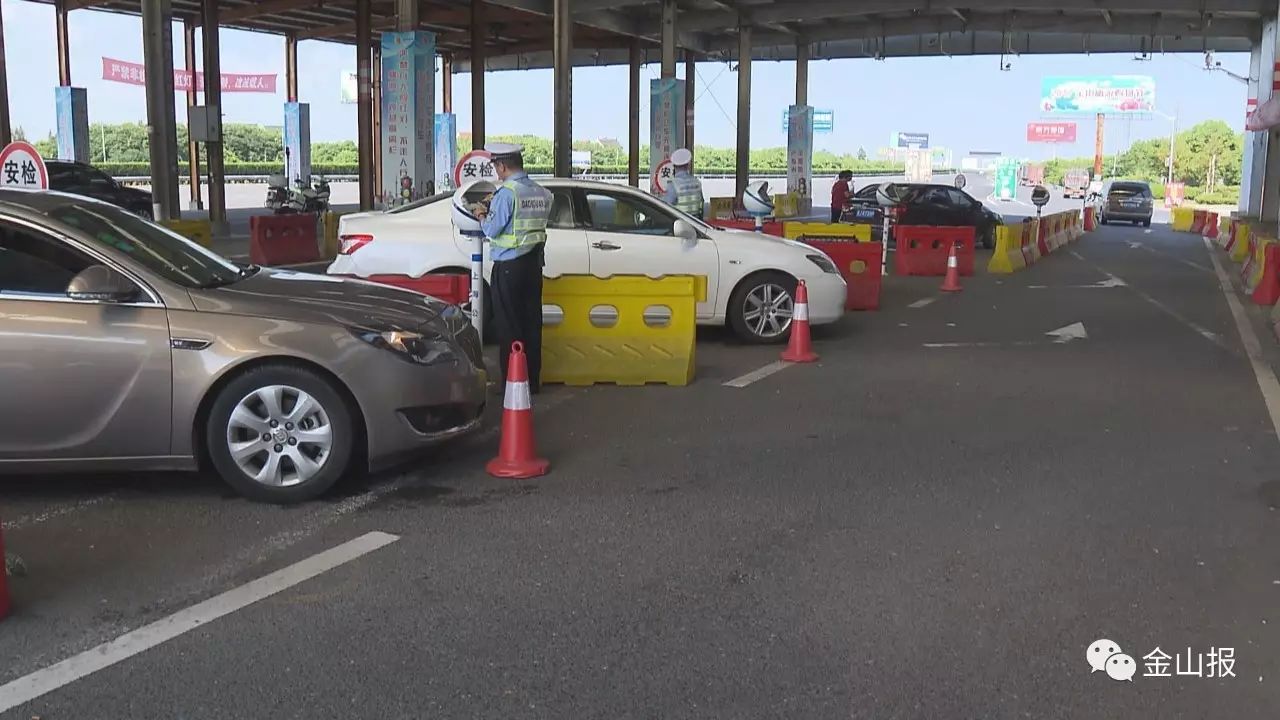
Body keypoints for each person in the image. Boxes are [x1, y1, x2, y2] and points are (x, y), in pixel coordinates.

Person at [474, 143, 553, 393]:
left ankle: (513, 383)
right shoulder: (541, 192)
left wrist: (481, 215)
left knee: (509, 325)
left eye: (496, 167)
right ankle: (532, 380)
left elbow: (491, 230)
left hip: (509, 267)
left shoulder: (508, 193)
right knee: (532, 322)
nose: (497, 172)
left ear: (503, 165)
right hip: (533, 266)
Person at [663, 148, 704, 218]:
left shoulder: (673, 185)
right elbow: (701, 204)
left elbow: (666, 207)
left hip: (680, 224)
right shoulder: (697, 182)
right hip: (697, 223)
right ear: (687, 165)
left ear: (674, 166)